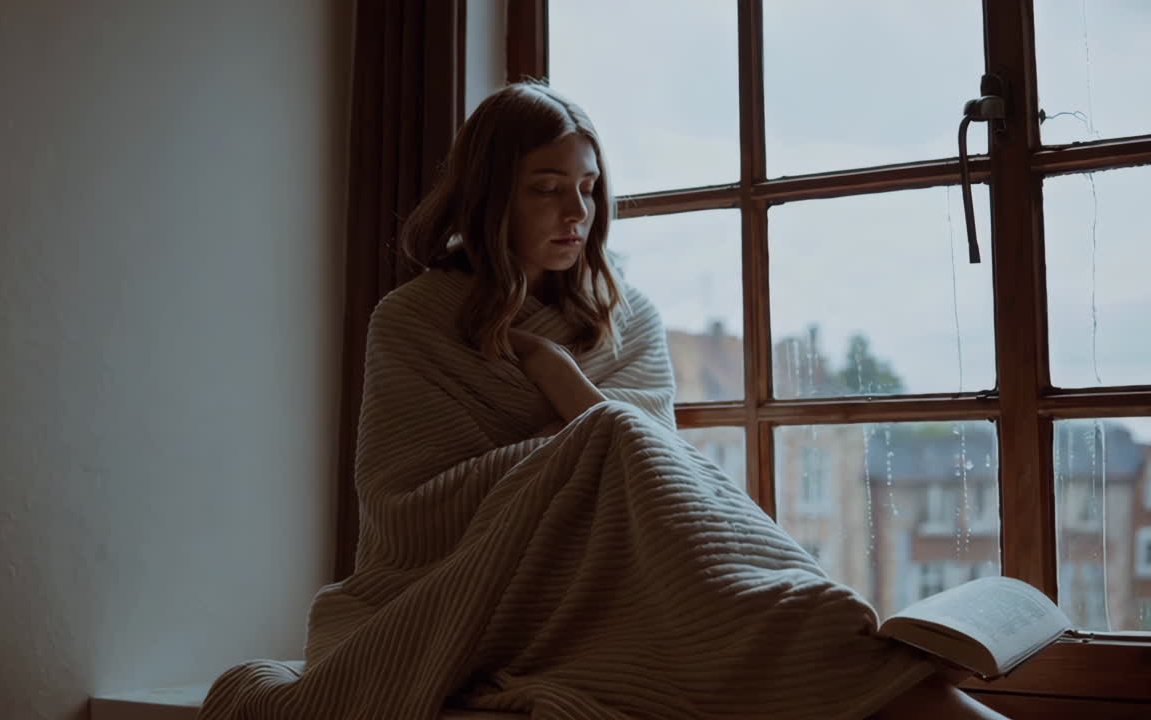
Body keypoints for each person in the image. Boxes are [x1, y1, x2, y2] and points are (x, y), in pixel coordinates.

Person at [199, 82, 1008, 720]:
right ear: (489, 197)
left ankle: (839, 640)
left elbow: (650, 486)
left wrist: (554, 369)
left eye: (587, 188)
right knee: (610, 433)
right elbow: (405, 511)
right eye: (546, 189)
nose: (577, 213)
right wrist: (573, 449)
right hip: (458, 592)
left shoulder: (631, 319)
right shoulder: (411, 320)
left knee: (616, 436)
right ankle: (866, 657)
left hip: (614, 593)